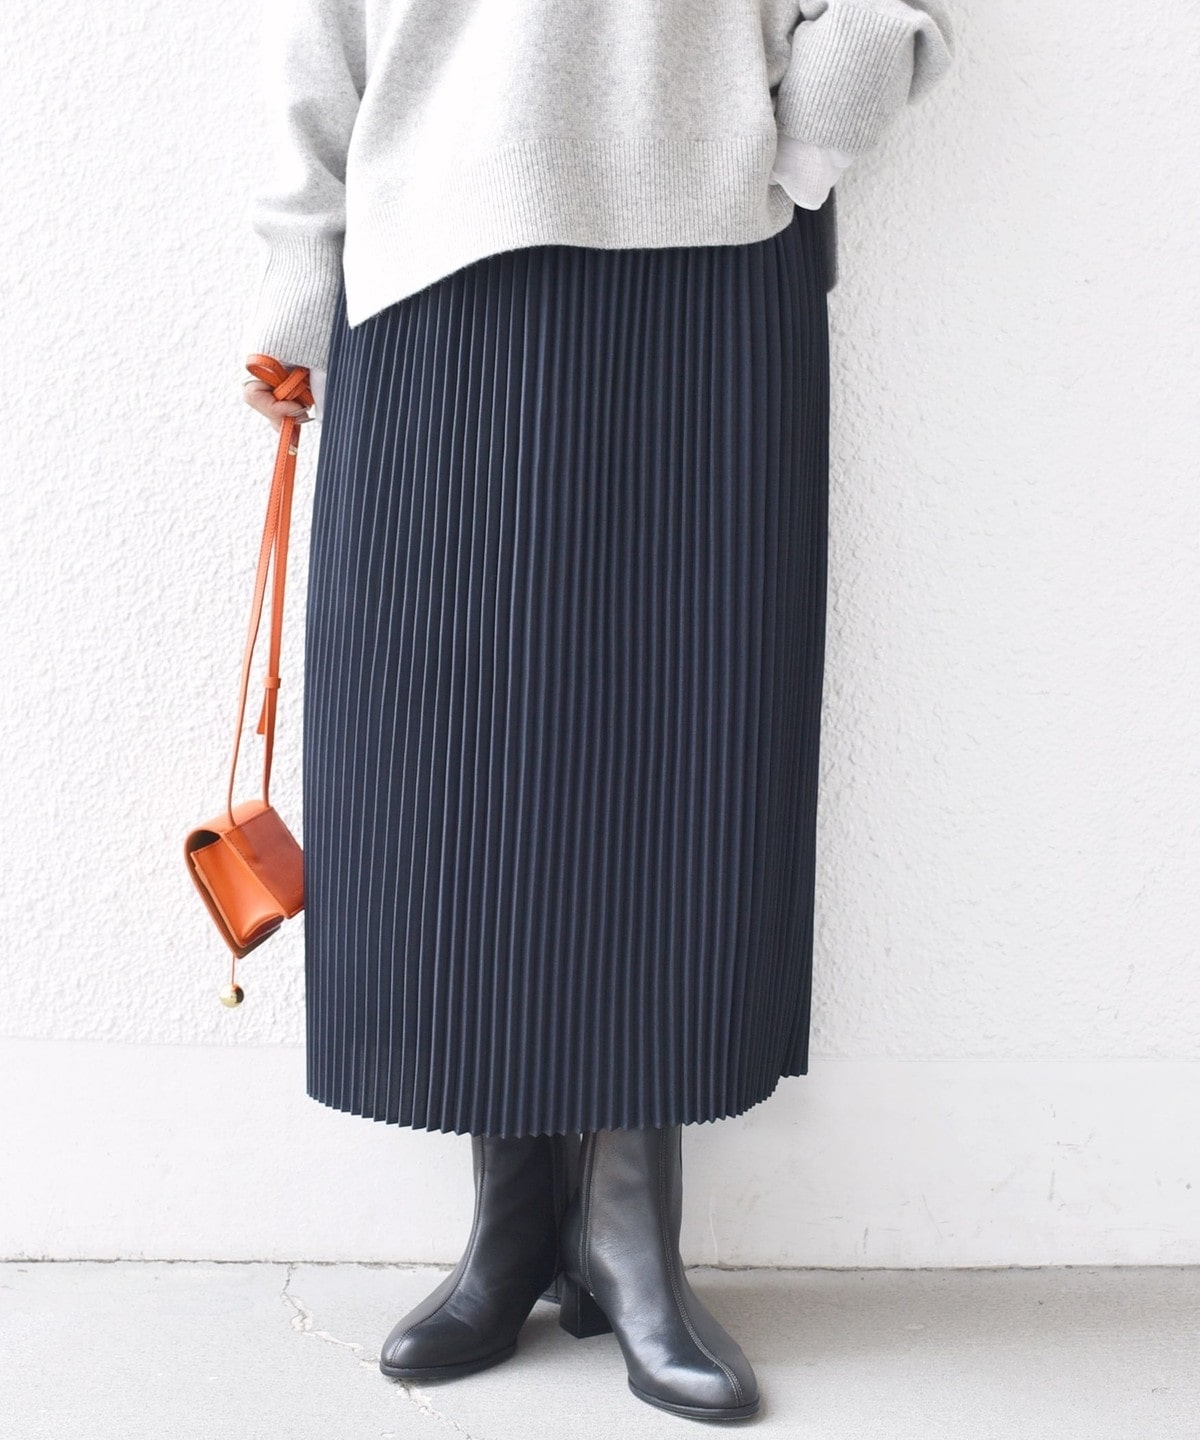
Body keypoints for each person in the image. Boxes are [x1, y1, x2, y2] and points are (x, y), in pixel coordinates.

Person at [239, 0, 954, 1422]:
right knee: (446, 769)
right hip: (431, 271)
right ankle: (512, 1224)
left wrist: (778, 153)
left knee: (684, 749)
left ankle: (630, 1236)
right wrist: (294, 284)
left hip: (708, 267)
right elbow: (325, 31)